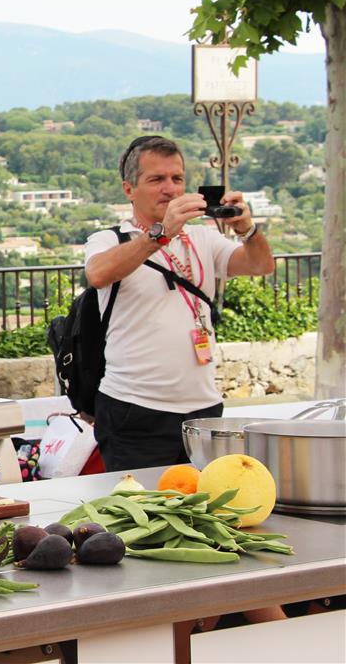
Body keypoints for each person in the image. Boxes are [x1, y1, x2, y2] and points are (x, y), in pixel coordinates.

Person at [84, 136, 274, 472]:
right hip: (134, 409)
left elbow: (260, 265)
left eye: (177, 179)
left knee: (205, 513)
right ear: (129, 190)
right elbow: (98, 273)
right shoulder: (110, 239)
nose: (170, 189)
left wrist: (248, 229)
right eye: (156, 179)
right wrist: (161, 233)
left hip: (203, 408)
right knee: (140, 515)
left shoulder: (203, 238)